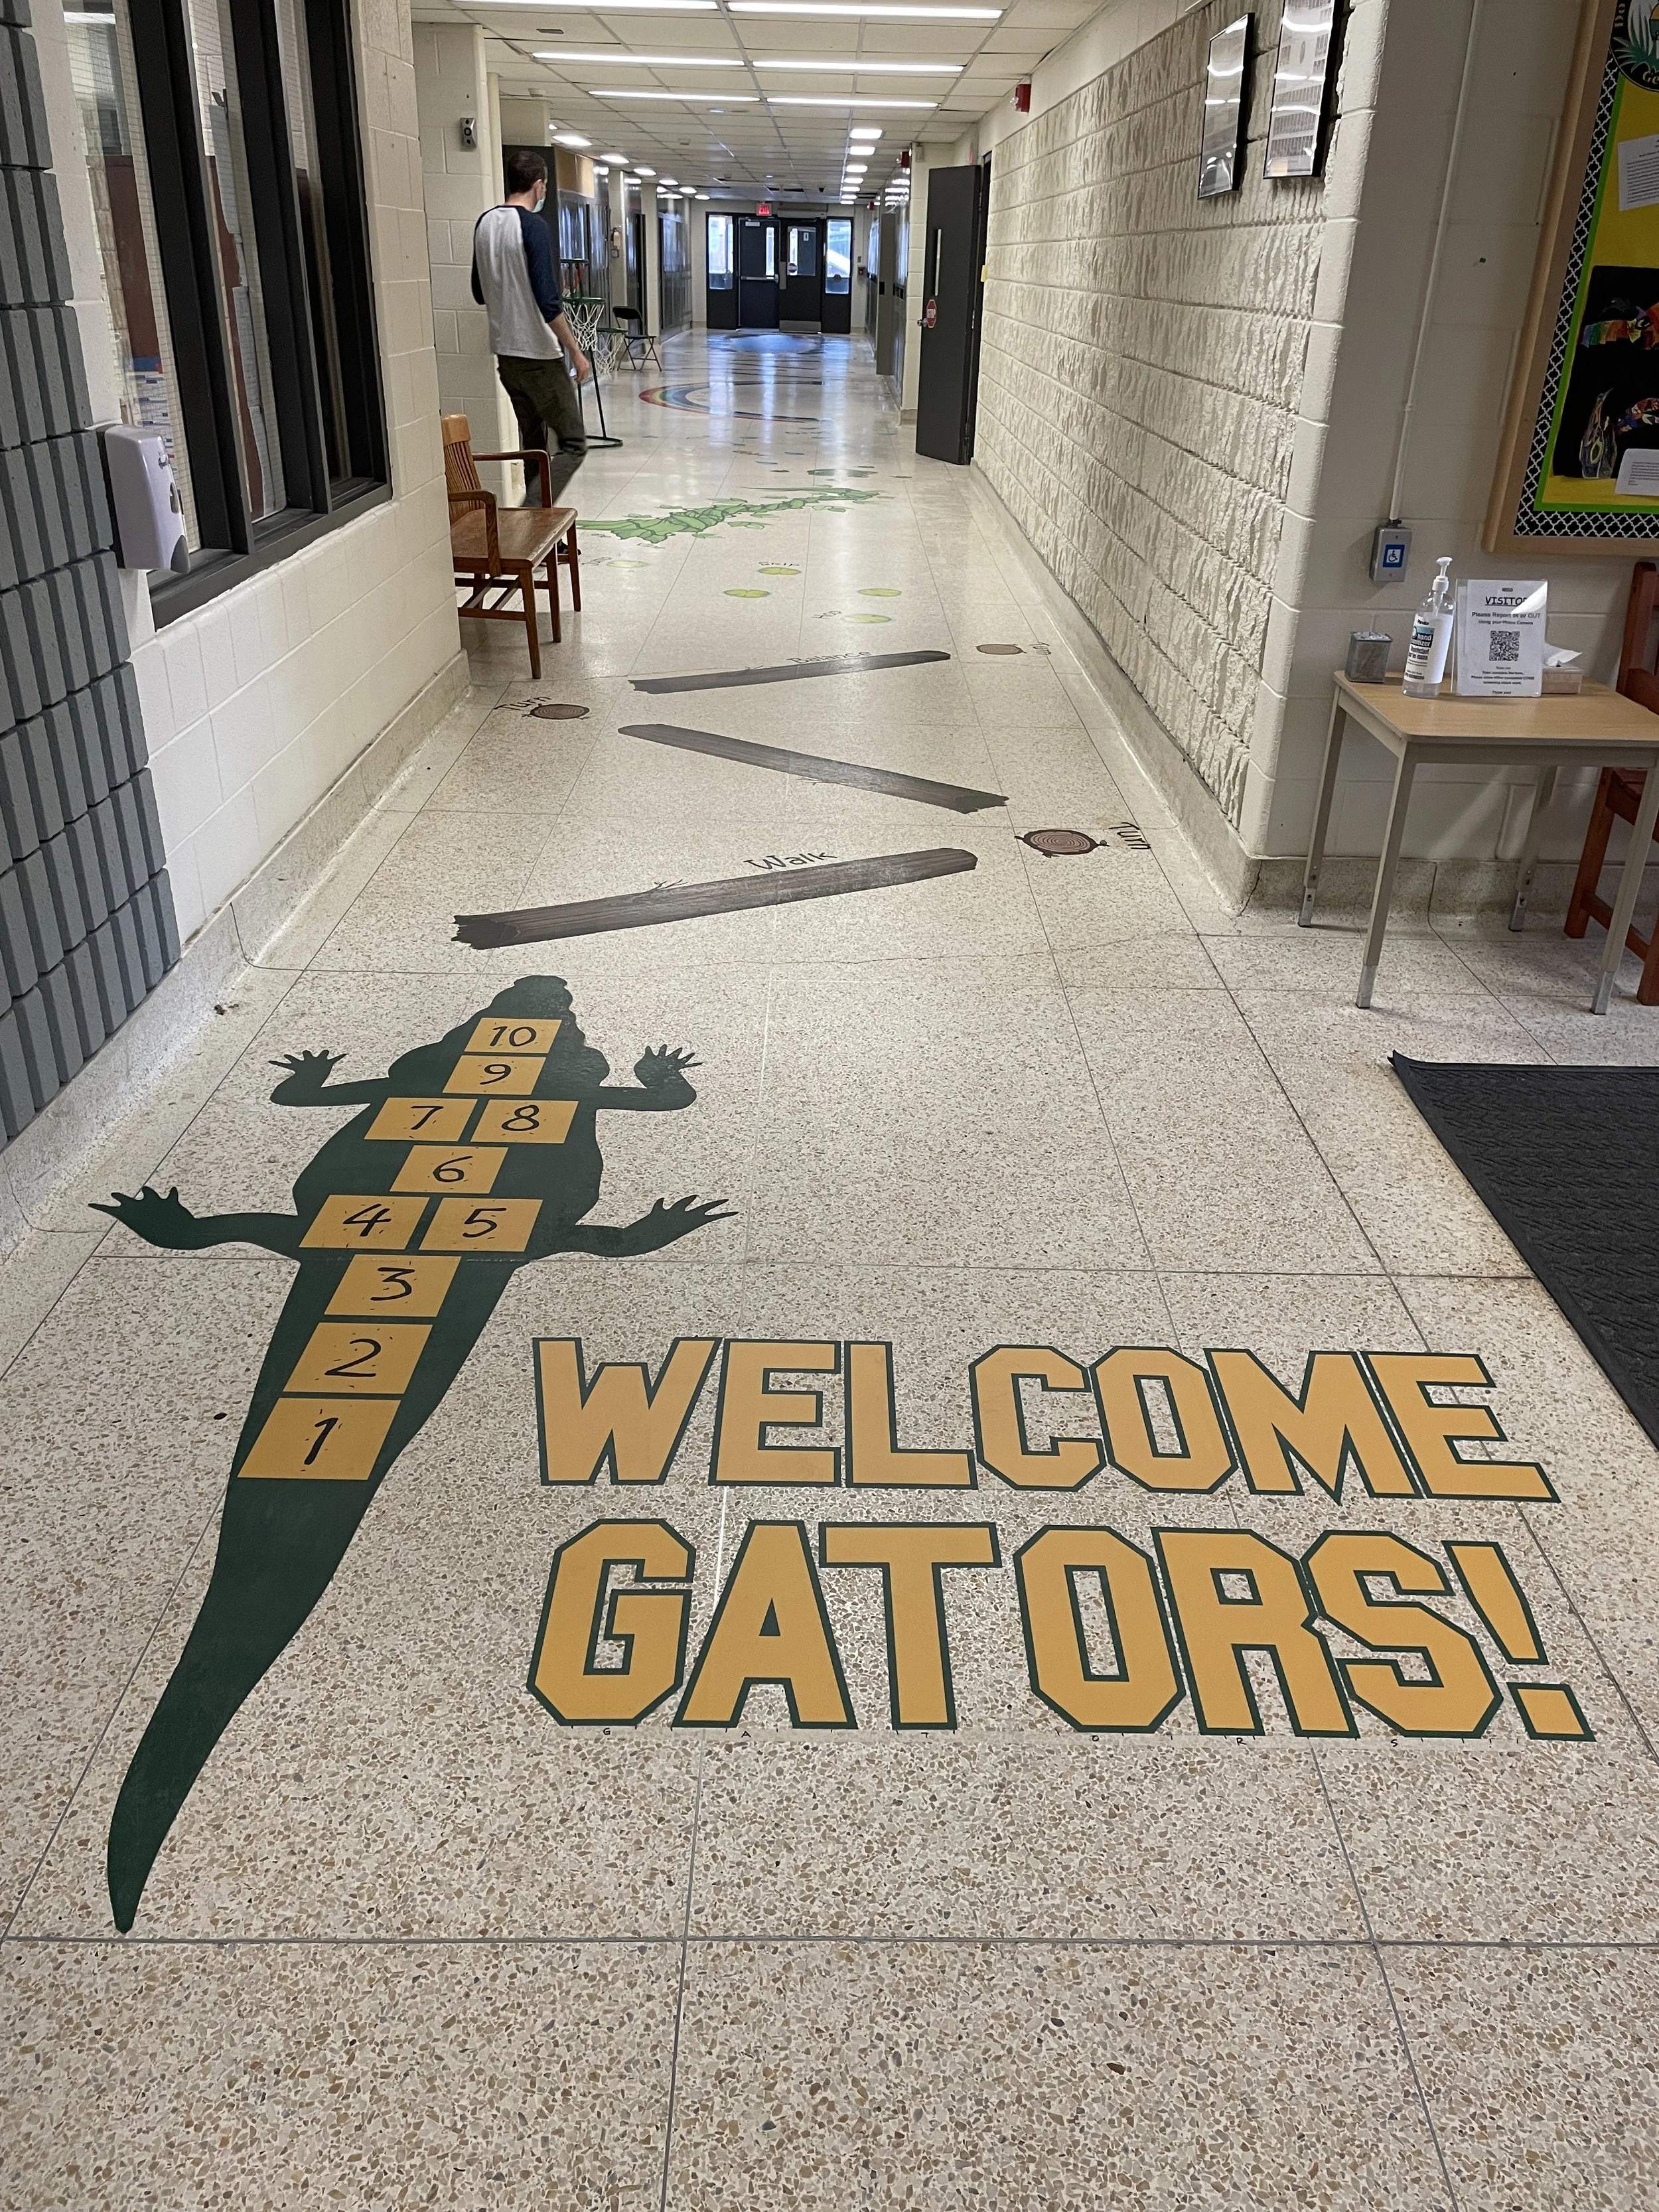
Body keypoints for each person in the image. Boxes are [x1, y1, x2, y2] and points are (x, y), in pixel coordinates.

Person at [471, 151, 591, 506]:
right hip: (539, 355)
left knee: (534, 443)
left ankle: (536, 529)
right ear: (538, 185)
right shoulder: (533, 227)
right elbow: (548, 302)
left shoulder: (485, 224)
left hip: (507, 358)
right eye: (544, 187)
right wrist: (576, 350)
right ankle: (531, 518)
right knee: (573, 444)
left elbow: (479, 292)